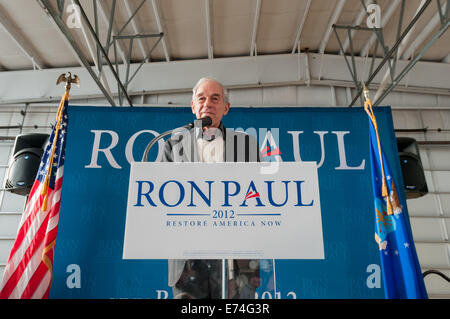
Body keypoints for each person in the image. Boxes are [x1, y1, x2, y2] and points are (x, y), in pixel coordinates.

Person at [160, 77, 261, 299]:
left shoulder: (247, 145)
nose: (207, 103)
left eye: (215, 98)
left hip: (235, 261)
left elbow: (259, 195)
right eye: (201, 98)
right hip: (187, 263)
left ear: (226, 107)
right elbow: (158, 197)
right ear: (193, 106)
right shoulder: (172, 146)